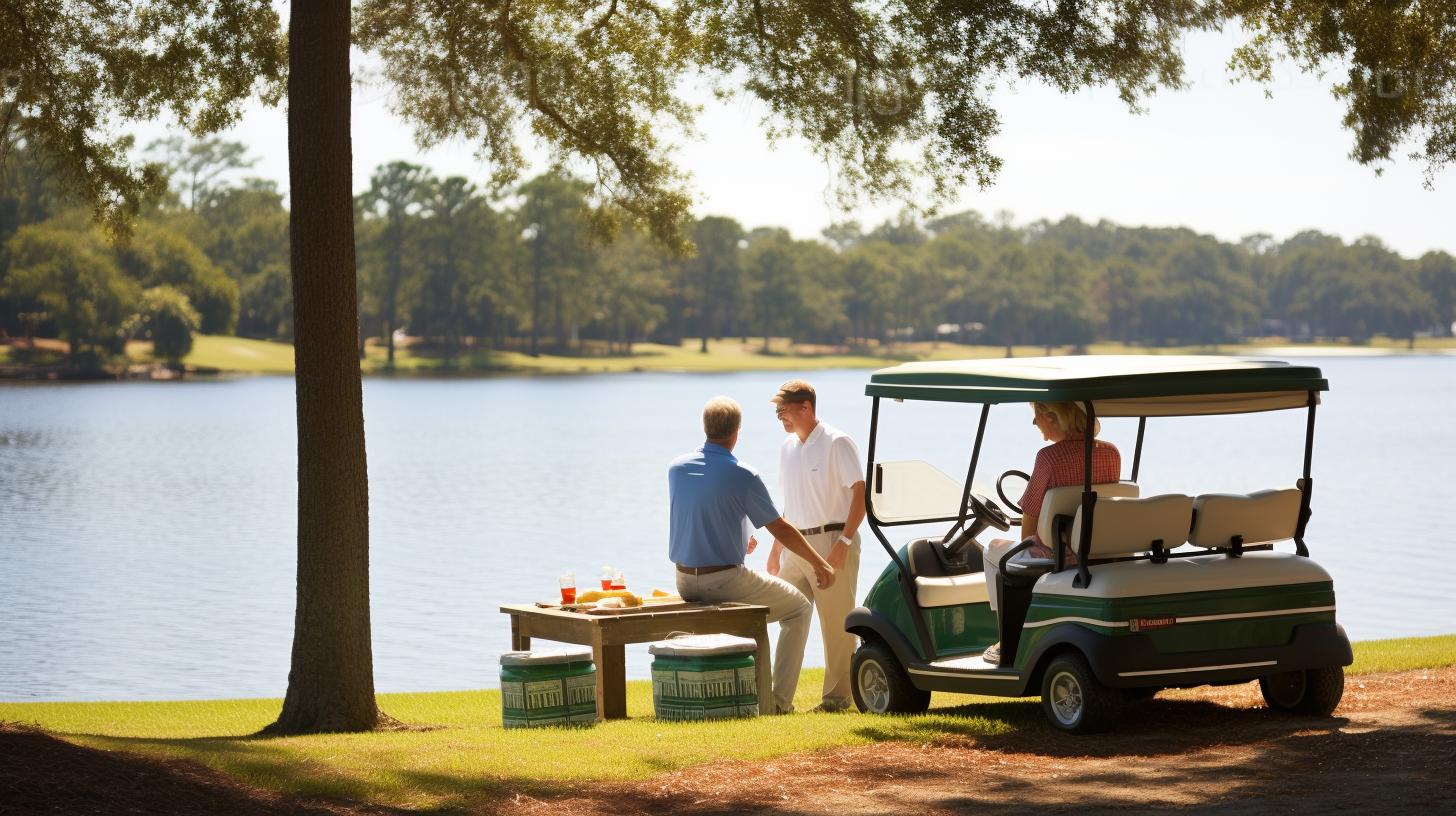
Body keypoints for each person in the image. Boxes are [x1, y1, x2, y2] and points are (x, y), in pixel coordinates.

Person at [669, 395, 836, 714]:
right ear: (737, 432)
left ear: (705, 428)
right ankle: (777, 703)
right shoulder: (743, 474)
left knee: (752, 611)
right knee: (798, 609)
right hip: (723, 580)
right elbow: (781, 529)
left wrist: (740, 538)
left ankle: (747, 692)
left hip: (684, 581)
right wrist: (820, 561)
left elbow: (702, 511)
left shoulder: (676, 469)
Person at [981, 401, 1121, 665]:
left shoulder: (1048, 457)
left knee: (993, 550)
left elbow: (1031, 516)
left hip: (1058, 553)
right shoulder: (1111, 453)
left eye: (1036, 416)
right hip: (1101, 548)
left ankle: (1006, 637)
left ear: (1054, 416)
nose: (1035, 424)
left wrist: (1024, 549)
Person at [764, 379, 866, 713]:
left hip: (832, 541)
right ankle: (778, 701)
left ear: (806, 407)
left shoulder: (838, 442)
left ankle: (836, 699)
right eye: (778, 411)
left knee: (836, 624)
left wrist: (843, 543)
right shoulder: (786, 448)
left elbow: (860, 495)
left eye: (784, 410)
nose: (781, 417)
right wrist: (777, 547)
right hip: (795, 545)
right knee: (785, 613)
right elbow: (789, 503)